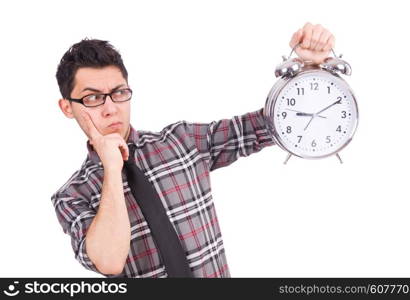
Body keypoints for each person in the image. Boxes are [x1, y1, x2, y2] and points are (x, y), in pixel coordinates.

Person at [51, 22, 335, 278]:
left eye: (119, 93)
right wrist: (112, 167)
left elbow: (267, 125)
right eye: (93, 98)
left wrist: (308, 70)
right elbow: (109, 261)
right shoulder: (72, 196)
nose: (111, 108)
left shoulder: (182, 141)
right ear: (67, 107)